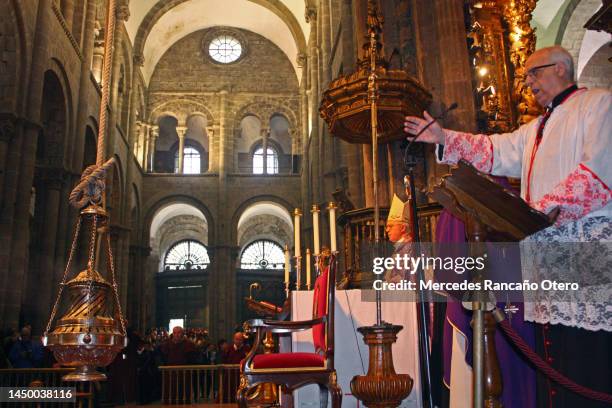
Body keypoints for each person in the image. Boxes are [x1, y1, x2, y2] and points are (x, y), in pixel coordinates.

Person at [404, 45, 611, 408]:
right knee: (557, 360)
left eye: (534, 72)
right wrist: (444, 138)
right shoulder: (534, 129)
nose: (527, 82)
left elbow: (598, 173)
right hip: (546, 256)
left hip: (584, 256)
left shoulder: (599, 105)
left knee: (589, 361)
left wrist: (536, 213)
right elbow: (494, 151)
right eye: (526, 75)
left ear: (561, 69)